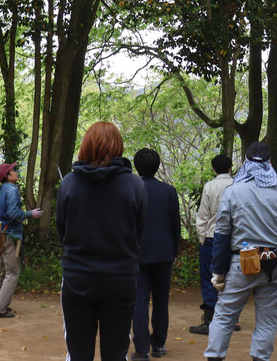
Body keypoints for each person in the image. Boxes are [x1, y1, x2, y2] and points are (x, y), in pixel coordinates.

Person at [56, 121, 147, 361]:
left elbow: (62, 231)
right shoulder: (134, 185)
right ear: (118, 146)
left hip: (77, 278)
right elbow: (139, 233)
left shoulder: (69, 184)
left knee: (78, 354)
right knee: (116, 354)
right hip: (121, 279)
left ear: (85, 146)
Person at [204, 142, 277, 361]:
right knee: (267, 321)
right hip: (275, 265)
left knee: (224, 316)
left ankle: (214, 357)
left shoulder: (232, 192)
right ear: (269, 164)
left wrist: (218, 270)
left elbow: (221, 234)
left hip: (241, 263)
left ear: (245, 162)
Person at [131, 148, 181, 360]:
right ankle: (158, 345)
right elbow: (175, 224)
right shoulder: (169, 191)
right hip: (163, 252)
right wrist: (174, 250)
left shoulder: (132, 189)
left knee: (139, 300)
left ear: (136, 166)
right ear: (158, 166)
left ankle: (141, 350)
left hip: (138, 252)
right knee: (161, 300)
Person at [0, 161, 43, 318]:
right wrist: (30, 214)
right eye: (12, 170)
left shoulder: (0, 191)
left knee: (5, 271)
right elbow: (13, 213)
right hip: (9, 235)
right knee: (12, 273)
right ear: (7, 176)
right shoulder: (12, 190)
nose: (15, 171)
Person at [190, 153, 234, 335]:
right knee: (231, 276)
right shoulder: (238, 185)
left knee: (210, 276)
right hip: (233, 238)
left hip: (212, 237)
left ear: (213, 169)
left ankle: (209, 319)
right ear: (230, 168)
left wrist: (202, 237)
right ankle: (232, 319)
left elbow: (203, 215)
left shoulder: (210, 186)